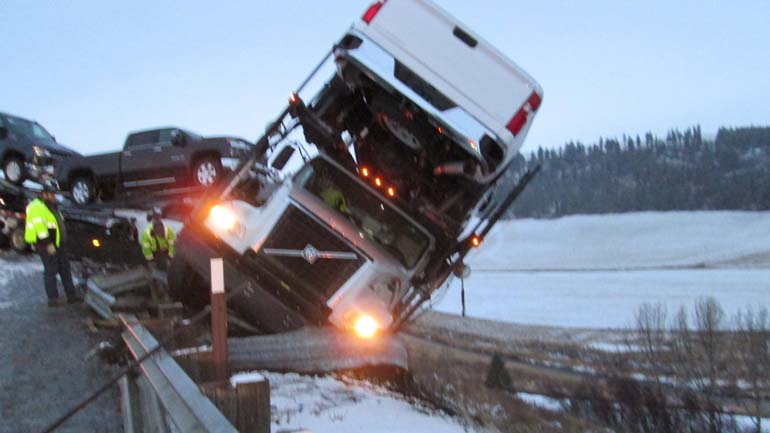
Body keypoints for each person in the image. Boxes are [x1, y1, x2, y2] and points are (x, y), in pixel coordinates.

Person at [25, 186, 81, 307]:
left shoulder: (51, 207)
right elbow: (40, 228)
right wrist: (48, 244)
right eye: (52, 195)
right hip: (46, 245)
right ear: (45, 195)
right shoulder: (37, 207)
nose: (54, 197)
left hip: (58, 244)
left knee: (65, 268)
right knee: (51, 270)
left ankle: (71, 295)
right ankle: (53, 299)